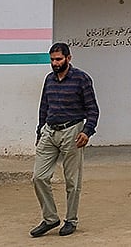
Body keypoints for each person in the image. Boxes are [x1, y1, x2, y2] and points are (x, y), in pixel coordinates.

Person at [30, 42, 100, 238]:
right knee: (39, 177)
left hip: (73, 131)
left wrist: (87, 131)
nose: (55, 63)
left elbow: (93, 109)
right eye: (52, 59)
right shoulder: (49, 80)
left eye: (58, 59)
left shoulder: (81, 79)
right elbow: (43, 107)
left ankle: (71, 220)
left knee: (72, 180)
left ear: (69, 58)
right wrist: (39, 132)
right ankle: (50, 218)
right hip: (49, 131)